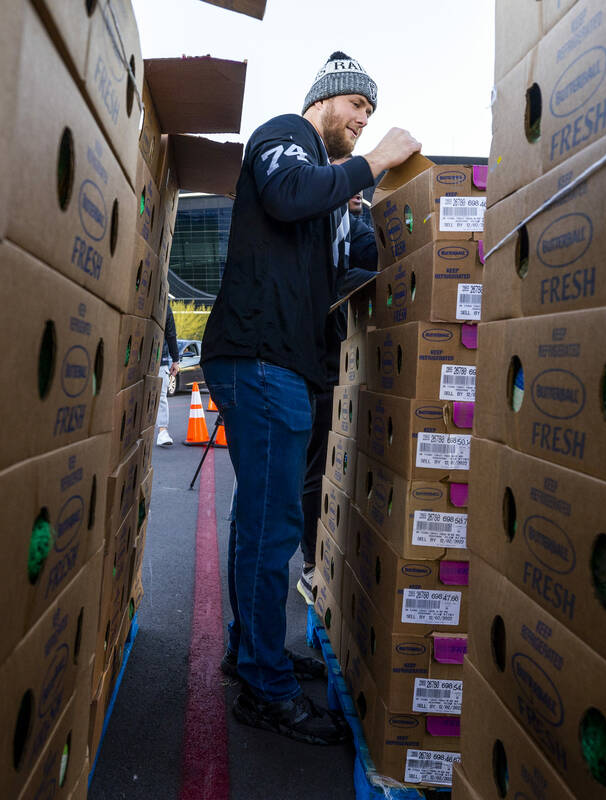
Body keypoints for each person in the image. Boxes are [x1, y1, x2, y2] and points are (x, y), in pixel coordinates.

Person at [200, 51, 421, 745]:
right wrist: (372, 163)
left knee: (260, 524)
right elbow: (290, 191)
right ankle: (264, 690)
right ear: (326, 99)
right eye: (358, 106)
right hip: (261, 363)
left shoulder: (329, 196)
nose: (363, 121)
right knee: (270, 534)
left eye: (370, 115)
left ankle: (253, 656)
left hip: (283, 368)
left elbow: (346, 270)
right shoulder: (283, 135)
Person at [297, 181, 379, 603]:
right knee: (314, 469)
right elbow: (338, 278)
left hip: (343, 368)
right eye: (347, 187)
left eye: (359, 189)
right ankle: (310, 563)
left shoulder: (356, 225)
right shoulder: (317, 224)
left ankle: (327, 553)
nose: (355, 195)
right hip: (315, 369)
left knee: (337, 468)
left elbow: (374, 254)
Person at [156, 303, 181, 446]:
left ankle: (162, 431)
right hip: (159, 356)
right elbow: (171, 333)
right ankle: (162, 431)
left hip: (146, 356)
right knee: (161, 397)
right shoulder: (163, 301)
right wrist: (175, 360)